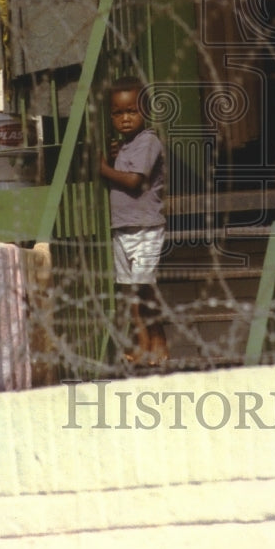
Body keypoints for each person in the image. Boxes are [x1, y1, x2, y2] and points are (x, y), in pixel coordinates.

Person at [99, 76, 169, 366]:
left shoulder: (149, 141)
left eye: (132, 112)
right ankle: (143, 346)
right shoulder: (126, 146)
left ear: (146, 112)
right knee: (134, 292)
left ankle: (159, 344)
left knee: (144, 287)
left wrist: (102, 167)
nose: (125, 119)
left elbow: (133, 181)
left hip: (145, 227)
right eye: (118, 113)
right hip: (123, 227)